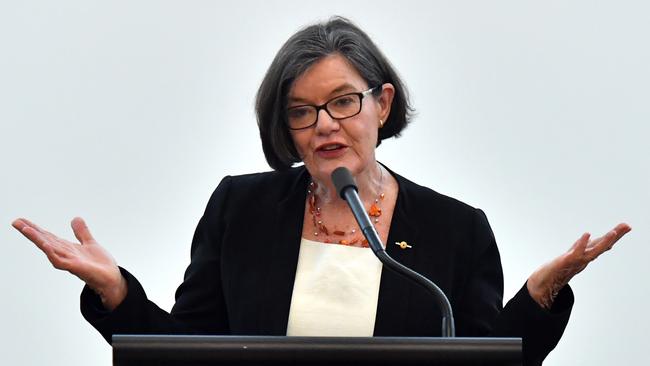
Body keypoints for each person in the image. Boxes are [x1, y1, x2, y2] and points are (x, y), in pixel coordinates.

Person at [12, 17, 630, 366]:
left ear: (382, 104)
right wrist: (117, 292)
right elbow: (191, 353)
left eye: (342, 102)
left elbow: (486, 364)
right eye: (302, 111)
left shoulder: (455, 228)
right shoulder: (241, 209)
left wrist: (541, 295)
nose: (325, 125)